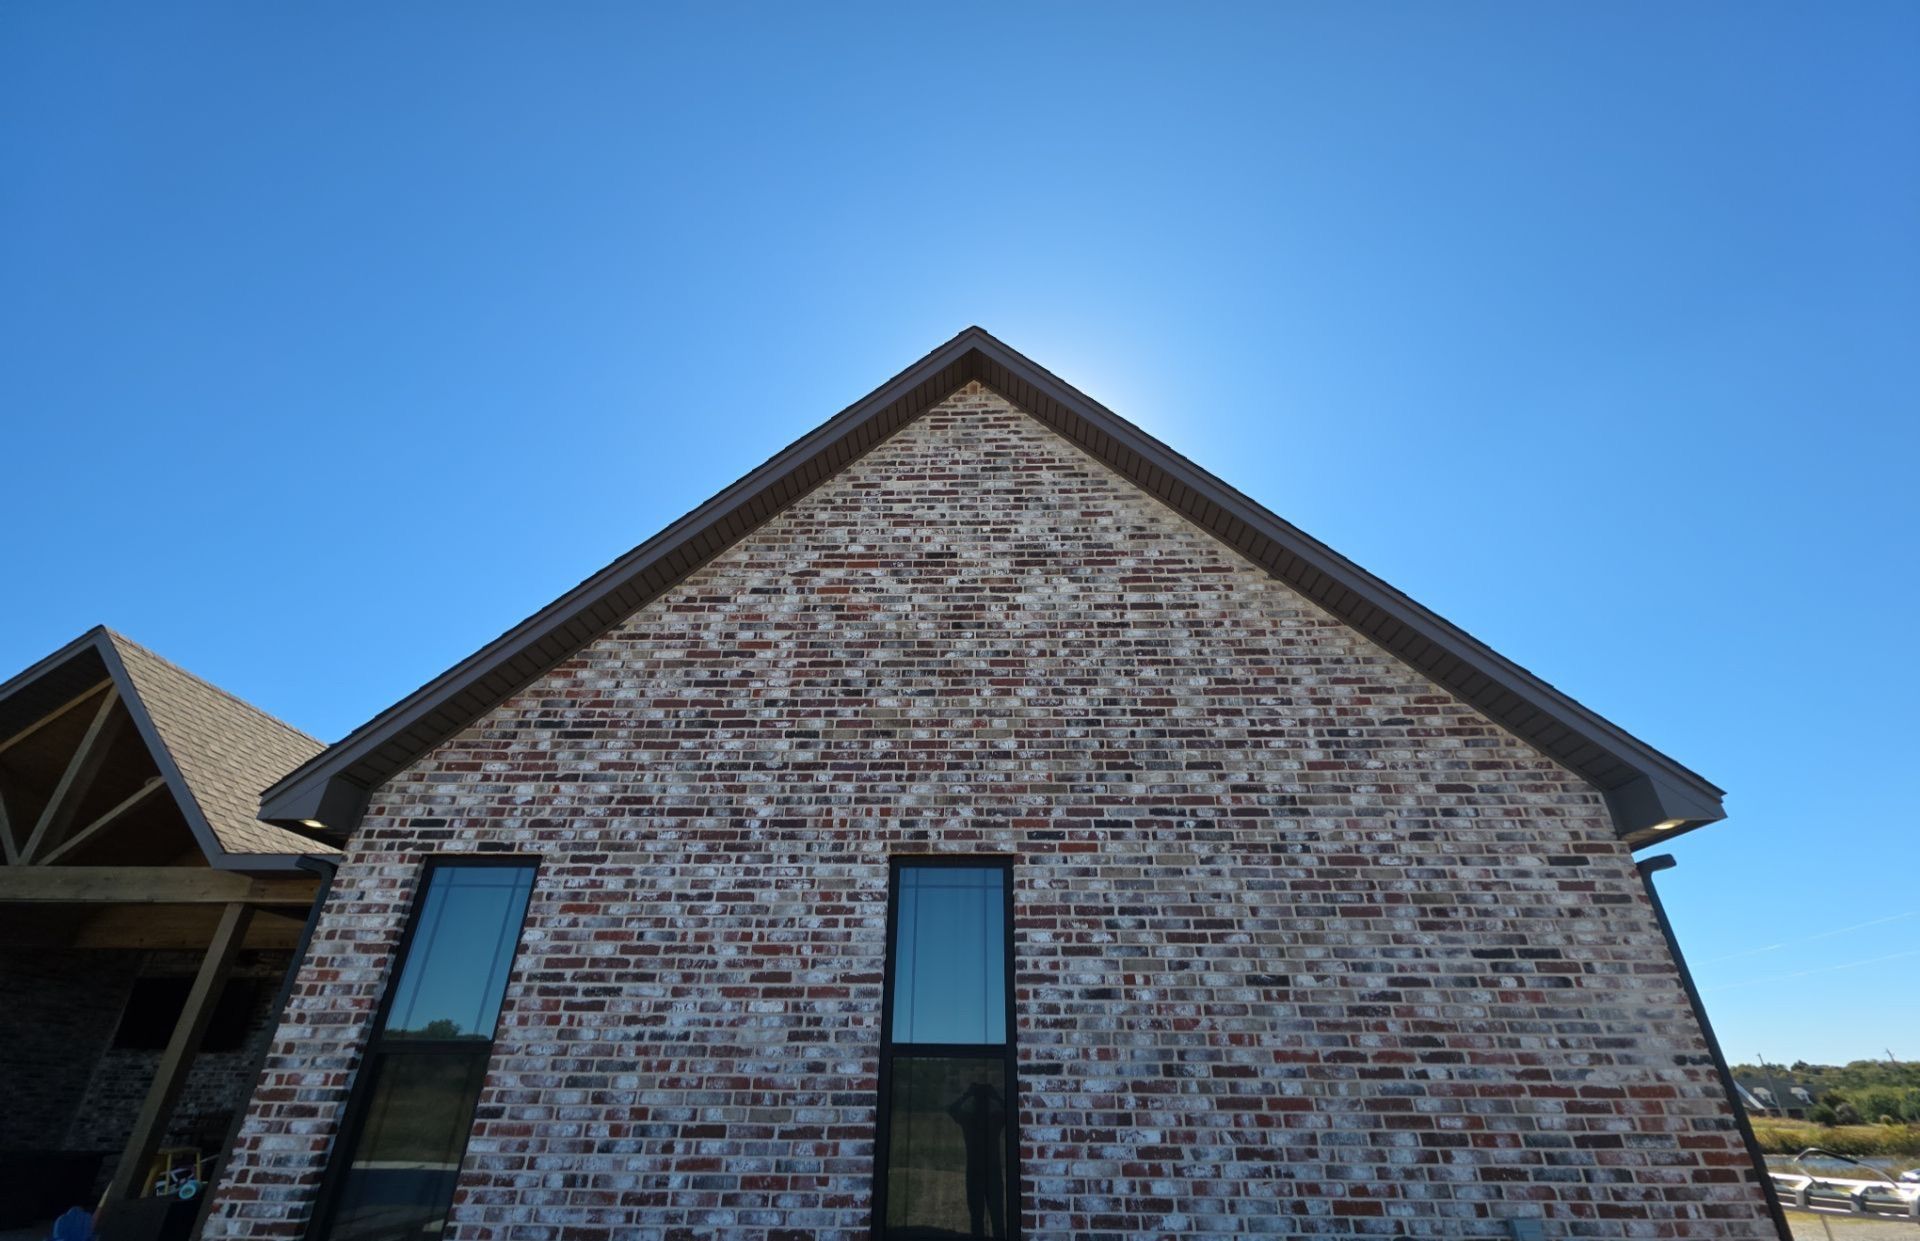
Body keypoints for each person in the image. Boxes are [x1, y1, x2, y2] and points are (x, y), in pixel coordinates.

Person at [946, 1081, 1007, 1238]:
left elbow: (951, 1109)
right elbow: (1010, 1110)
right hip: (991, 1172)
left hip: (975, 1172)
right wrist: (995, 1095)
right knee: (997, 1219)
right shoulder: (994, 1120)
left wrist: (968, 1094)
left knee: (977, 1220)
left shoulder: (969, 1121)